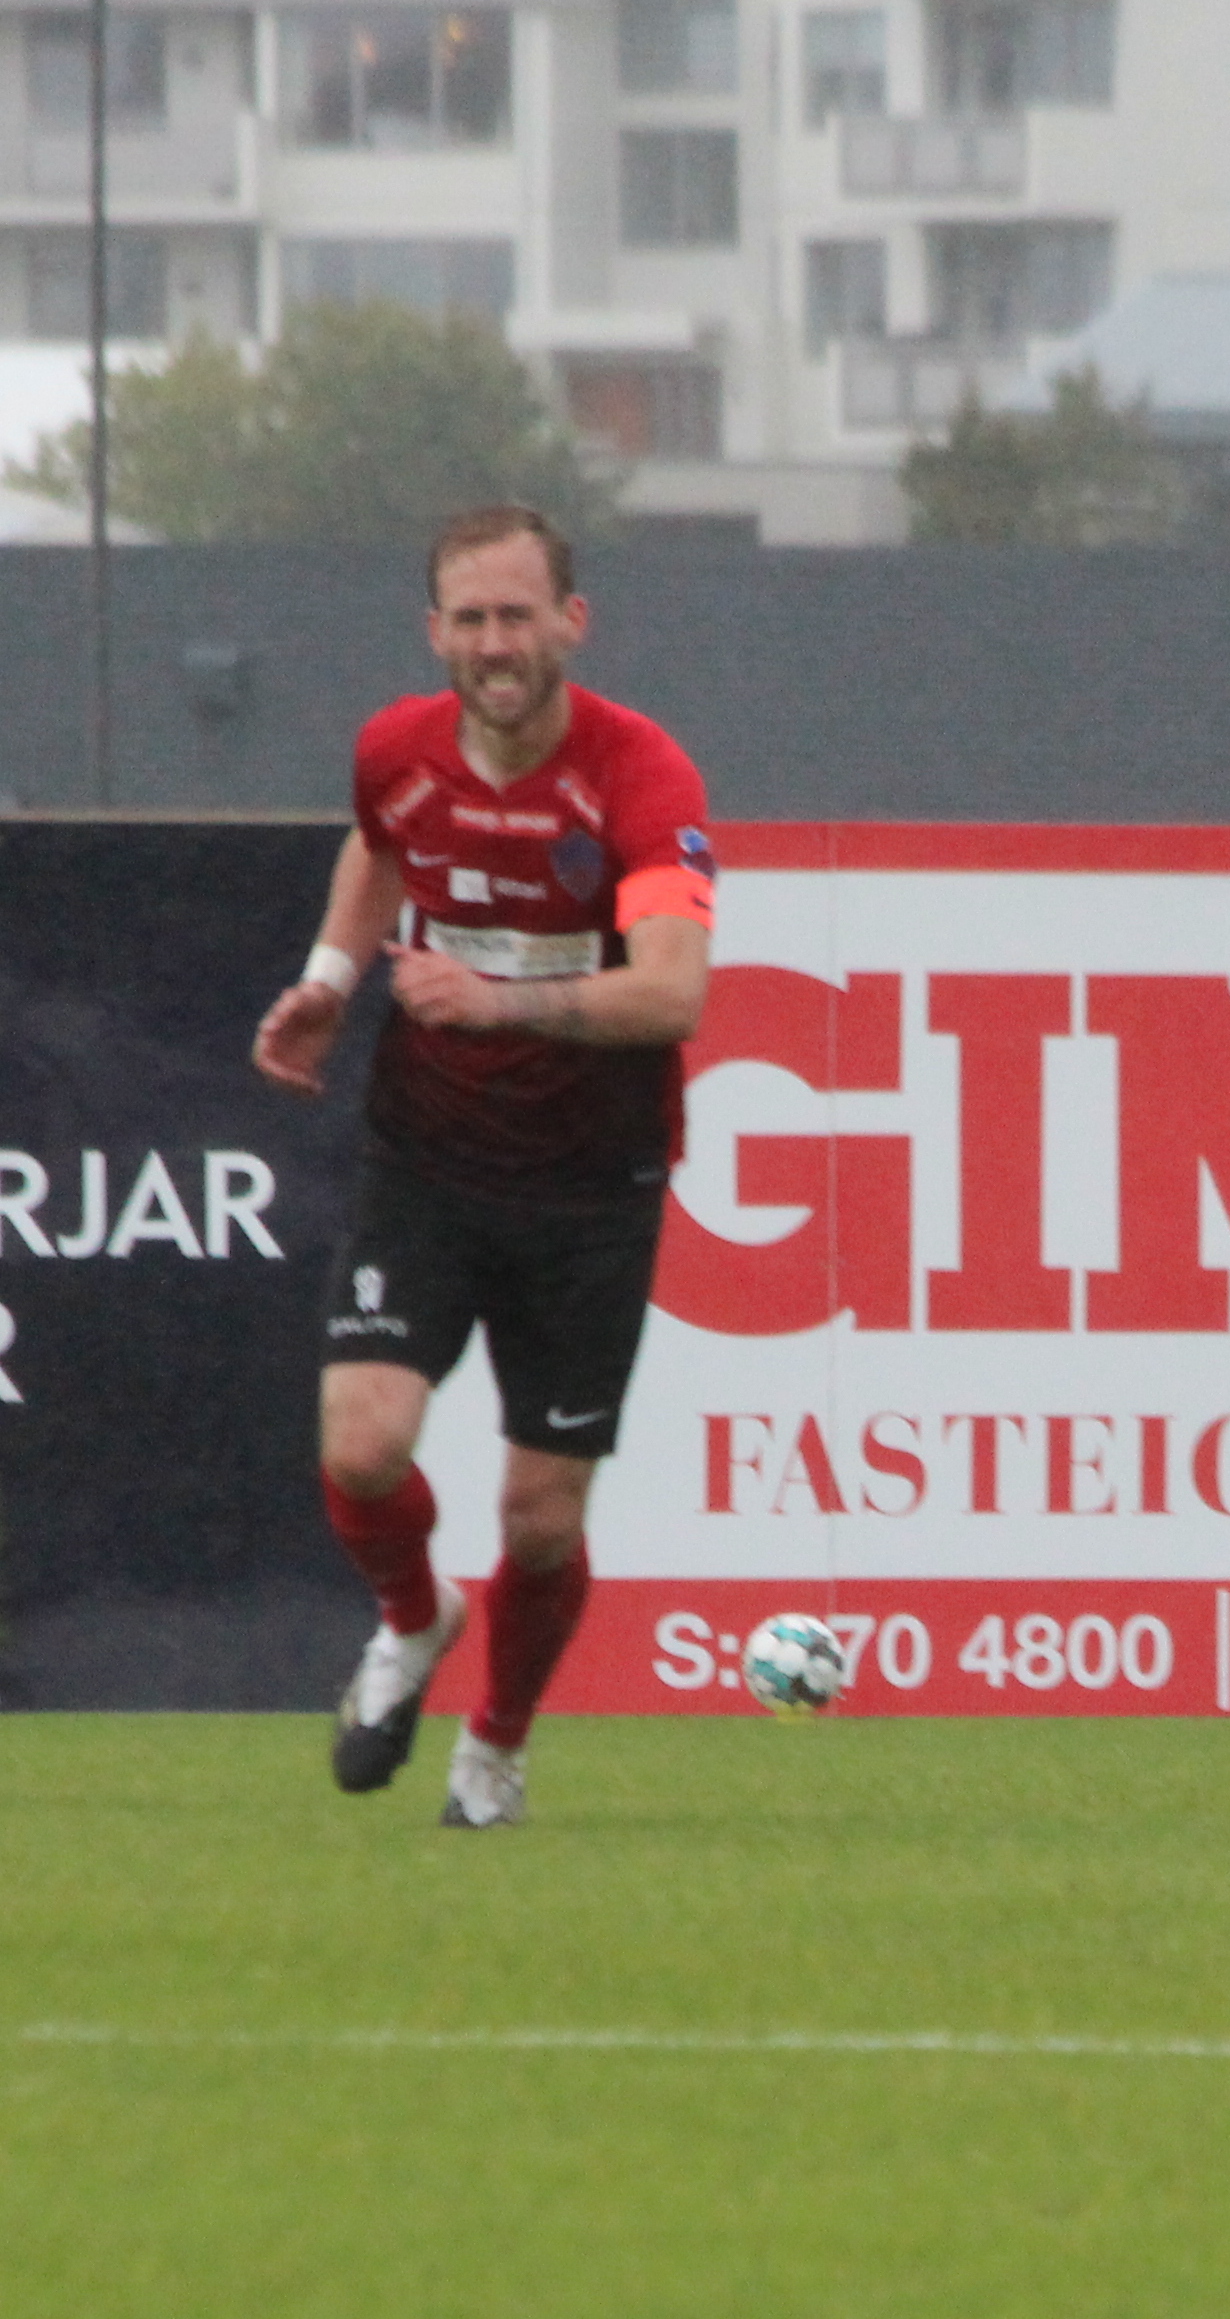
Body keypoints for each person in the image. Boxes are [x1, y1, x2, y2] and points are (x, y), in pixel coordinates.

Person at [252, 504, 716, 1829]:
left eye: (518, 615)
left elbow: (673, 992)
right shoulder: (396, 750)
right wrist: (332, 979)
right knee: (362, 1446)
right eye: (471, 618)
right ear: (435, 632)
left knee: (541, 1518)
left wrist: (499, 1002)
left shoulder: (640, 775)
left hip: (591, 1184)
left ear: (573, 623)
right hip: (429, 1156)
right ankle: (415, 1619)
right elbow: (380, 844)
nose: (495, 643)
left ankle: (496, 1748)